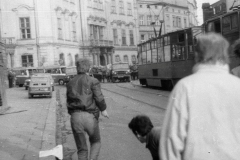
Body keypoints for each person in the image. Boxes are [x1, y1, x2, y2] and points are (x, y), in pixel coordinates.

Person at [160, 33, 240, 160]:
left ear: (197, 55)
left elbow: (171, 140)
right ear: (225, 55)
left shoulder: (184, 87)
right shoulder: (237, 85)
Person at [66, 58, 109, 160]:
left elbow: (68, 101)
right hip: (90, 117)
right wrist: (103, 110)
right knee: (96, 142)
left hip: (75, 117)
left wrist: (73, 114)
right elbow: (99, 97)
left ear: (77, 68)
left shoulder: (70, 82)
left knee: (82, 149)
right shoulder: (93, 81)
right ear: (88, 68)